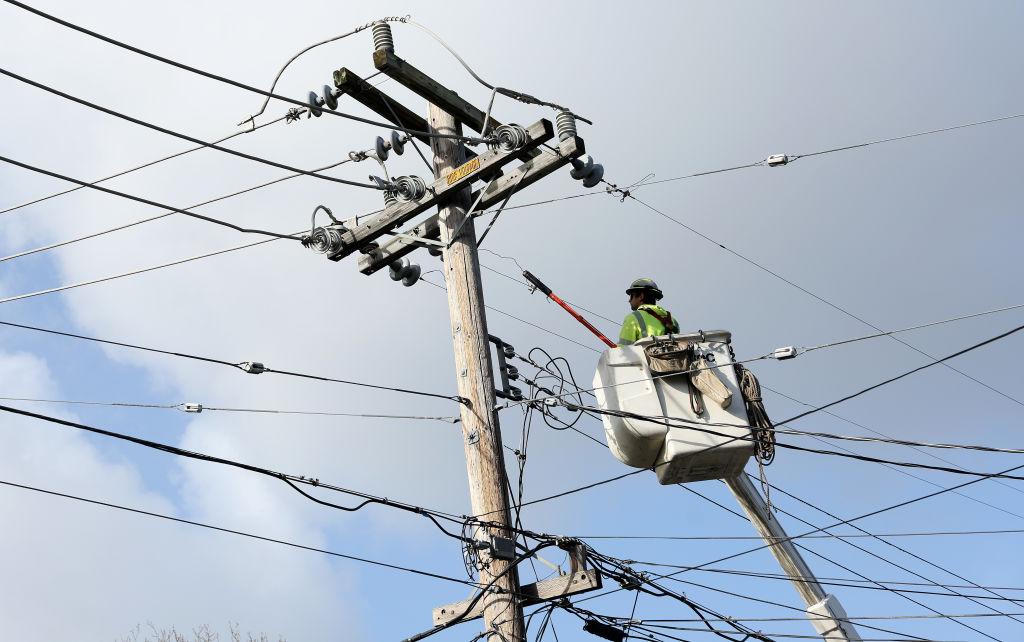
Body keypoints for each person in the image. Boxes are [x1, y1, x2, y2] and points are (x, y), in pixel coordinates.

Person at [618, 278, 680, 345]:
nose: (629, 300)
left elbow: (624, 349)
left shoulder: (633, 318)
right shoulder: (672, 320)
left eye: (631, 296)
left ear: (641, 296)